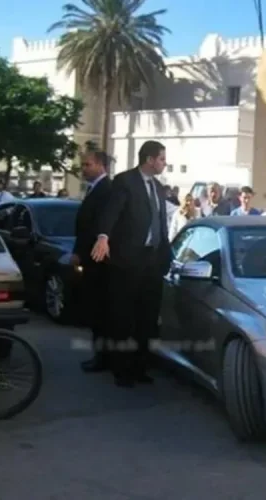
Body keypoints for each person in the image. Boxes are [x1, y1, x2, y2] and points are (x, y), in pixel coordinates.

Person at [91, 141, 171, 388]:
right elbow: (111, 212)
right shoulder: (125, 182)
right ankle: (121, 369)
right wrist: (103, 236)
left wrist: (166, 254)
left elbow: (161, 223)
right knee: (123, 318)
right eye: (161, 159)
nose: (164, 164)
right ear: (149, 159)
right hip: (127, 261)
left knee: (147, 318)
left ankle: (140, 367)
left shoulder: (158, 187)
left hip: (152, 261)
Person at [71, 151, 113, 373]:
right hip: (90, 258)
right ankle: (101, 354)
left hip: (99, 261)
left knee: (100, 311)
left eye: (88, 164)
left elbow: (95, 227)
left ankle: (103, 357)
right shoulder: (95, 189)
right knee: (96, 310)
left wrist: (82, 251)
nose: (83, 169)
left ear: (100, 165)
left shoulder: (106, 190)